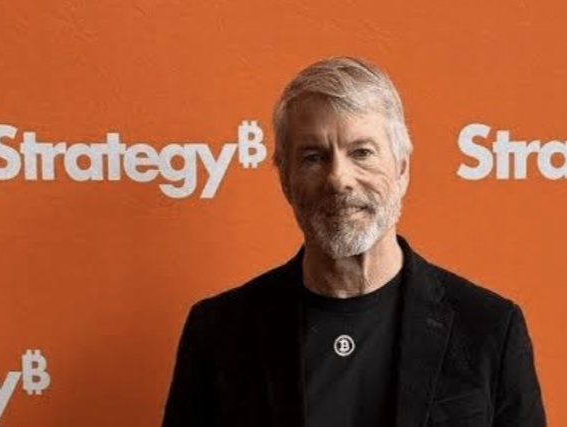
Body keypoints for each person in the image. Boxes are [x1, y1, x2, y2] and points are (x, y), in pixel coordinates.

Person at [162, 56, 546, 427]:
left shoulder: (490, 328)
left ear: (402, 168)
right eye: (313, 157)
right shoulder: (218, 332)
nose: (339, 179)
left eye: (362, 152)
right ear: (285, 179)